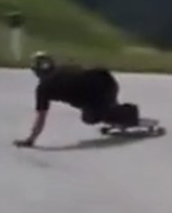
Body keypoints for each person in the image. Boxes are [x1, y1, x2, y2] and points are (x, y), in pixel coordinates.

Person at [13, 51, 143, 147]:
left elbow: (41, 117)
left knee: (90, 118)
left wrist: (30, 139)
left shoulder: (43, 88)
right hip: (107, 81)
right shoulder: (63, 69)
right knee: (97, 110)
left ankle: (129, 113)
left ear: (35, 71)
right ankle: (113, 111)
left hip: (98, 93)